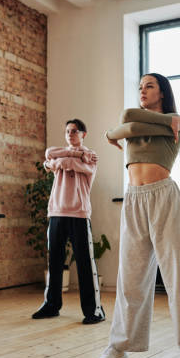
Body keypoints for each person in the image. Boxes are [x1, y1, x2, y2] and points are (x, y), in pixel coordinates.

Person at [95, 73, 180, 358]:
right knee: (130, 276)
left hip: (164, 196)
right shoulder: (159, 123)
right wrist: (121, 129)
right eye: (140, 86)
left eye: (150, 86)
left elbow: (122, 127)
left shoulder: (175, 121)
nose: (143, 91)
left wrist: (120, 130)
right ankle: (120, 346)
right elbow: (123, 124)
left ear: (163, 92)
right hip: (134, 200)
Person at [31, 119, 105, 325]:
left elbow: (61, 163)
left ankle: (94, 311)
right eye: (67, 132)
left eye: (74, 131)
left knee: (84, 263)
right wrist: (73, 155)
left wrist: (59, 162)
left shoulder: (91, 157)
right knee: (54, 261)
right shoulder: (72, 153)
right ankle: (51, 306)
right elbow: (49, 153)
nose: (70, 135)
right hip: (56, 212)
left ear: (84, 134)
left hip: (79, 213)